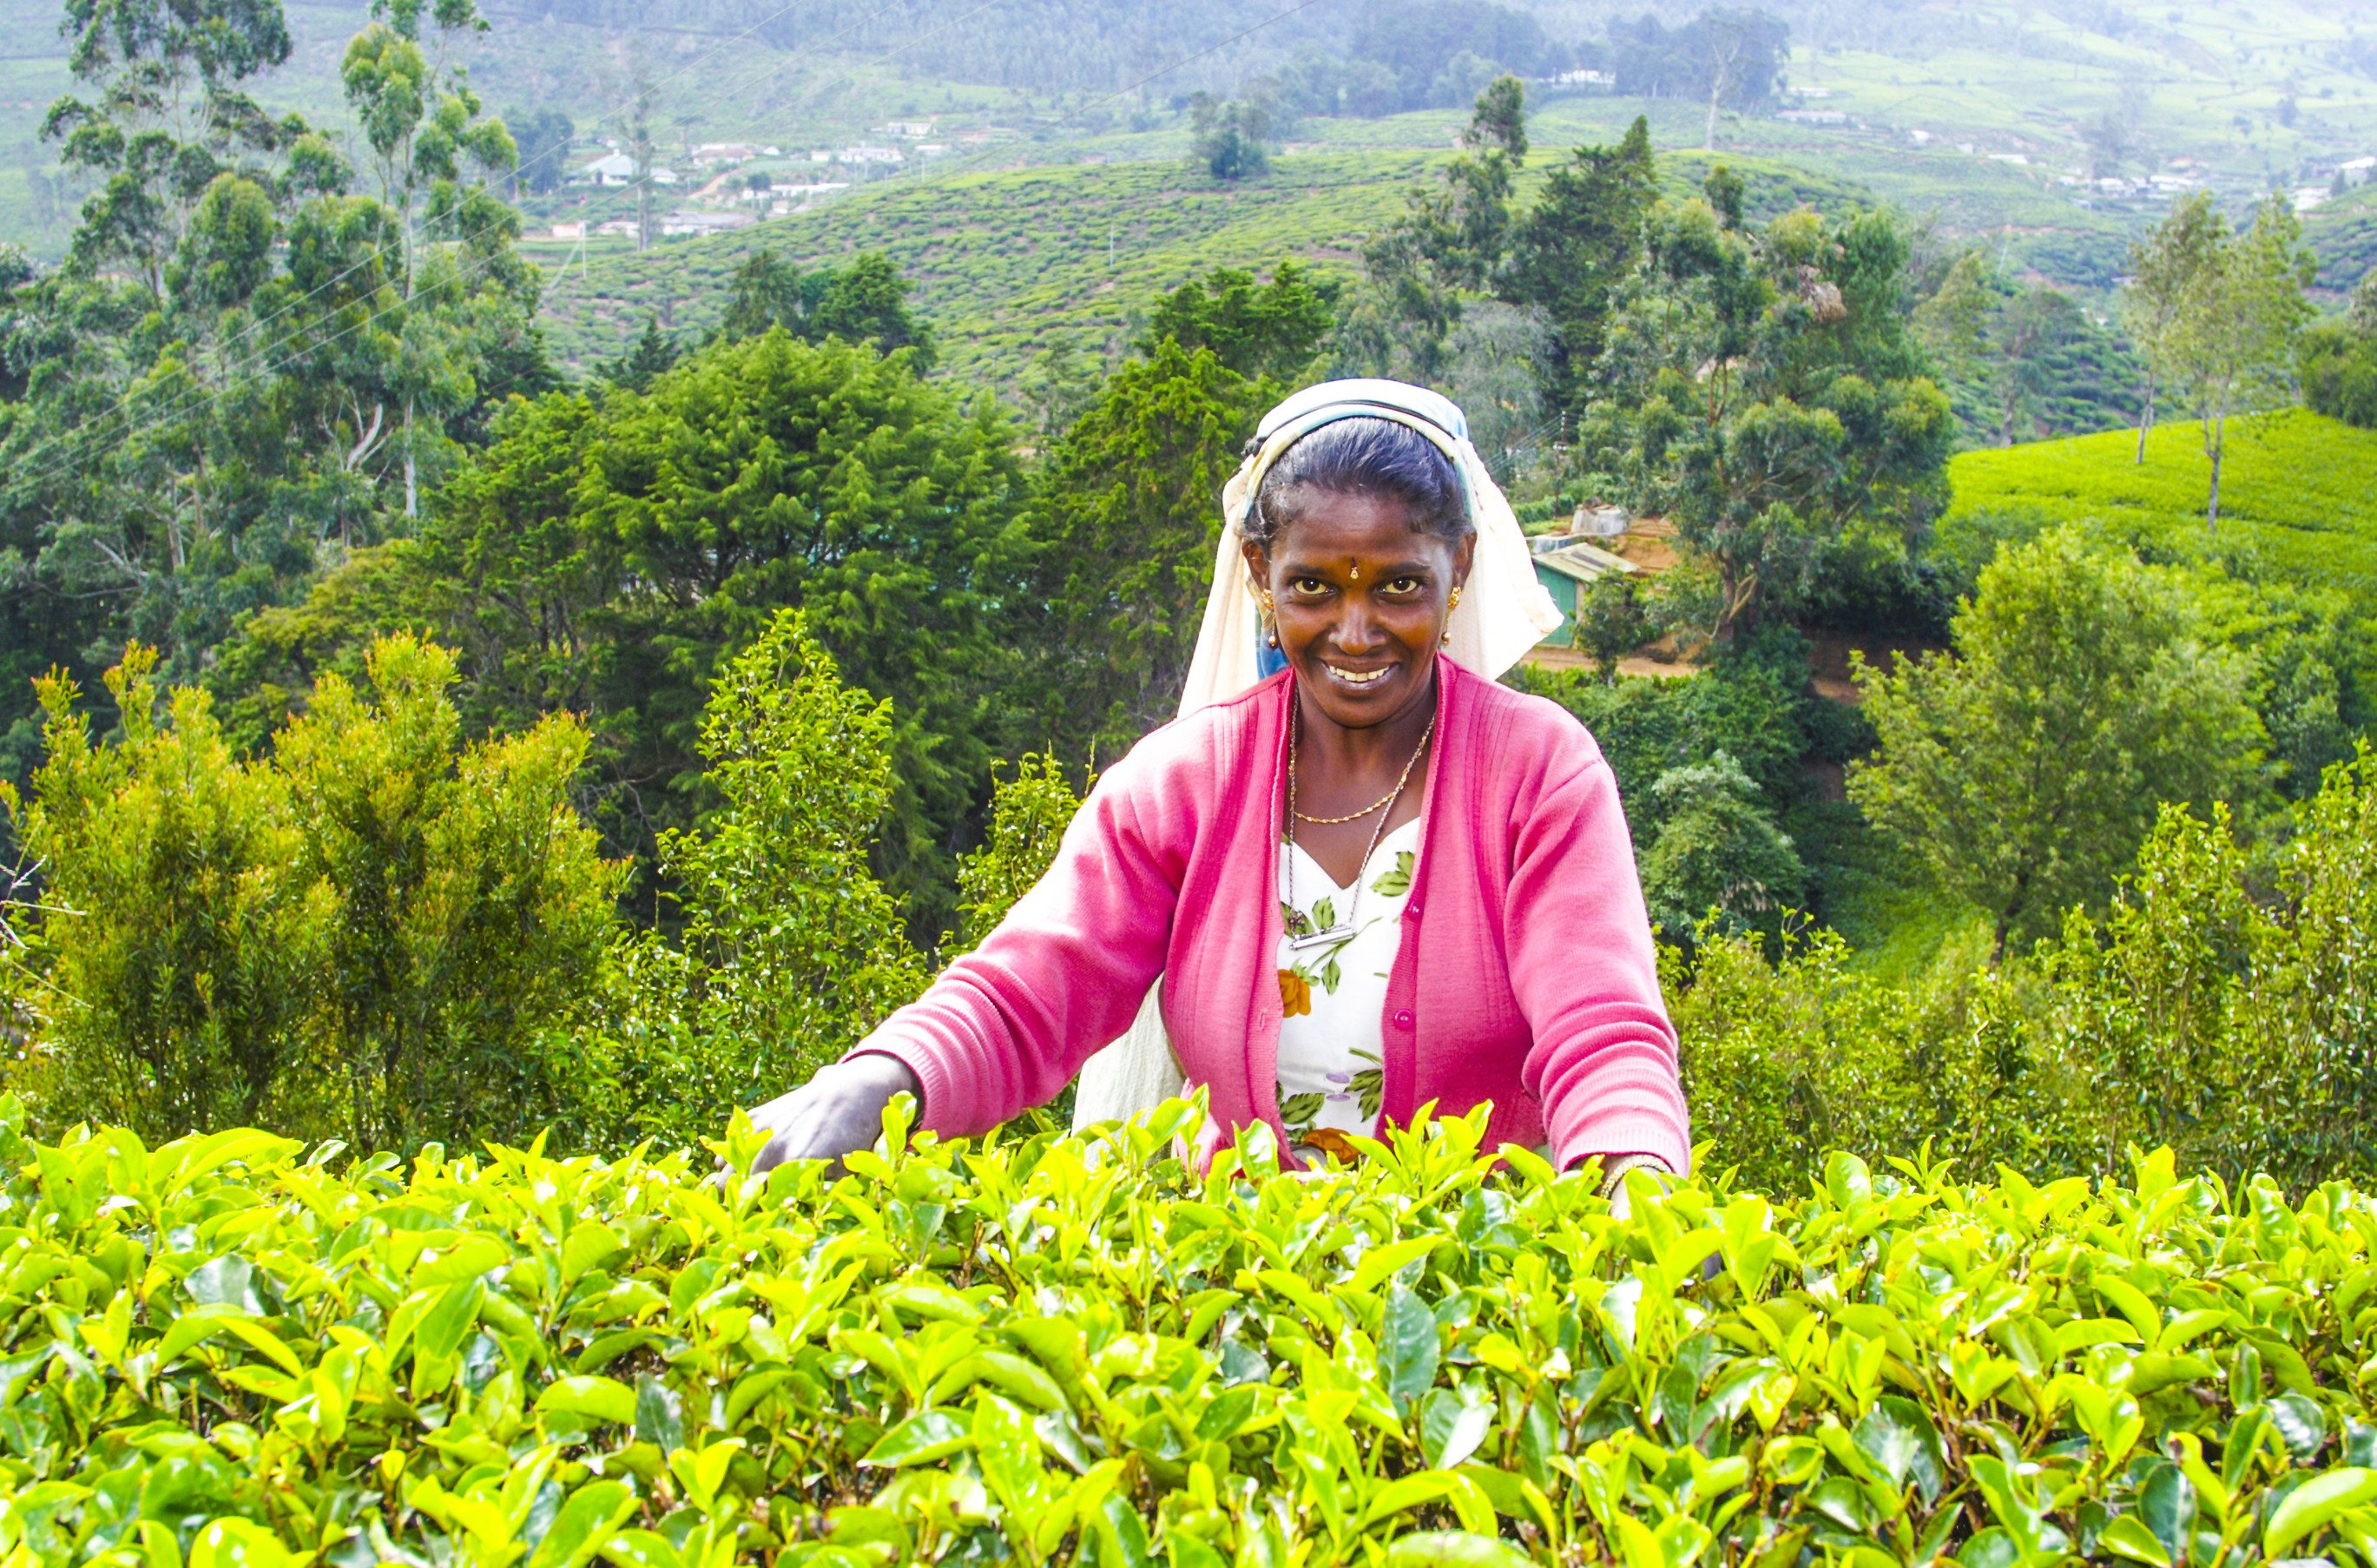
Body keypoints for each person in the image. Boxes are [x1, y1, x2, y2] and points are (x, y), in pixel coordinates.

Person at [742, 379, 1689, 1191]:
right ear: (1258, 579)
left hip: (1479, 1299)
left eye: (1397, 586)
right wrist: (880, 1081)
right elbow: (1030, 987)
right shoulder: (1183, 784)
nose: (1354, 632)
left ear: (1458, 573)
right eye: (1314, 585)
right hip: (1239, 1298)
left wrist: (1634, 1175)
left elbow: (1600, 1025)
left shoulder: (1536, 773)